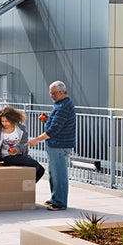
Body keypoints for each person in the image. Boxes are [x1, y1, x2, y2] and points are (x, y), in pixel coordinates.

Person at [28, 81, 76, 210]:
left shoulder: (63, 107)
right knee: (53, 173)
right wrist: (47, 119)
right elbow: (57, 123)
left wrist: (36, 139)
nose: (51, 96)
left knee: (59, 174)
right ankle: (55, 198)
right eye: (51, 94)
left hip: (59, 145)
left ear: (60, 92)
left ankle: (60, 203)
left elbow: (54, 129)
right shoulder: (60, 104)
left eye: (53, 94)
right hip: (56, 144)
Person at [0, 106, 45, 182]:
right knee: (35, 165)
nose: (4, 123)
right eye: (2, 121)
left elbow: (24, 144)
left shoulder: (21, 129)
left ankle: (27, 187)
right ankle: (25, 187)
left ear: (12, 120)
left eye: (6, 121)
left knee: (41, 170)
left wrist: (17, 150)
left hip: (19, 155)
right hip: (7, 156)